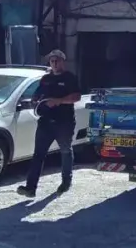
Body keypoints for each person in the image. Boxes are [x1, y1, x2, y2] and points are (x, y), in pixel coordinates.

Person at [16, 49, 81, 197]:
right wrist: (34, 100)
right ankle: (30, 188)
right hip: (45, 122)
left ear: (63, 61)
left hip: (64, 122)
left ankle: (66, 182)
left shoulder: (70, 78)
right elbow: (37, 94)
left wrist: (59, 101)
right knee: (38, 154)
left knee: (65, 151)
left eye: (57, 60)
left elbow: (76, 96)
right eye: (52, 61)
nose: (55, 63)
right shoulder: (45, 79)